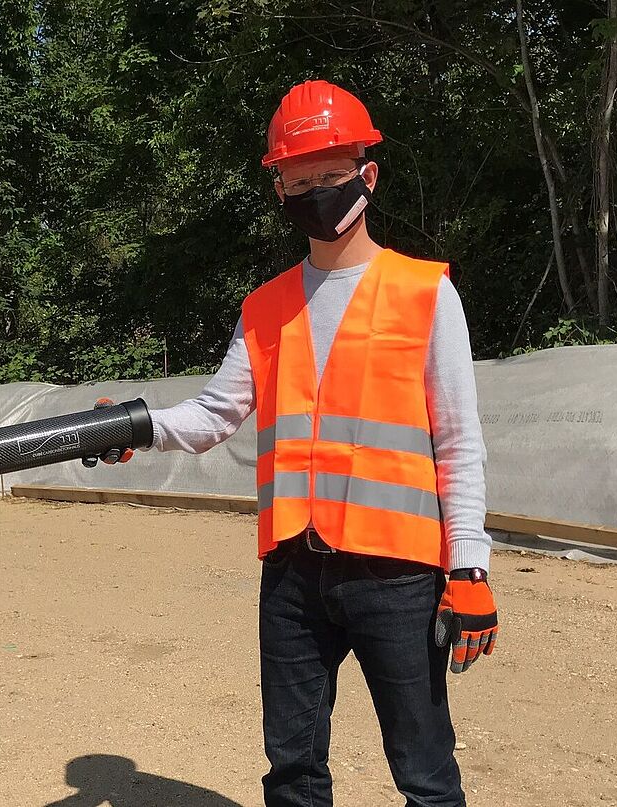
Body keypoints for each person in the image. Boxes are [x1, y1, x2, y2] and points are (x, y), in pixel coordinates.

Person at [141, 80, 499, 807]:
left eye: (329, 176)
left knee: (426, 774)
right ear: (279, 188)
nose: (313, 192)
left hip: (398, 573)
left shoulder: (425, 292)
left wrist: (470, 566)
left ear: (367, 175)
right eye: (296, 180)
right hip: (294, 573)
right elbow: (216, 412)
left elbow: (459, 444)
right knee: (293, 772)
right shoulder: (265, 305)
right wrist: (136, 425)